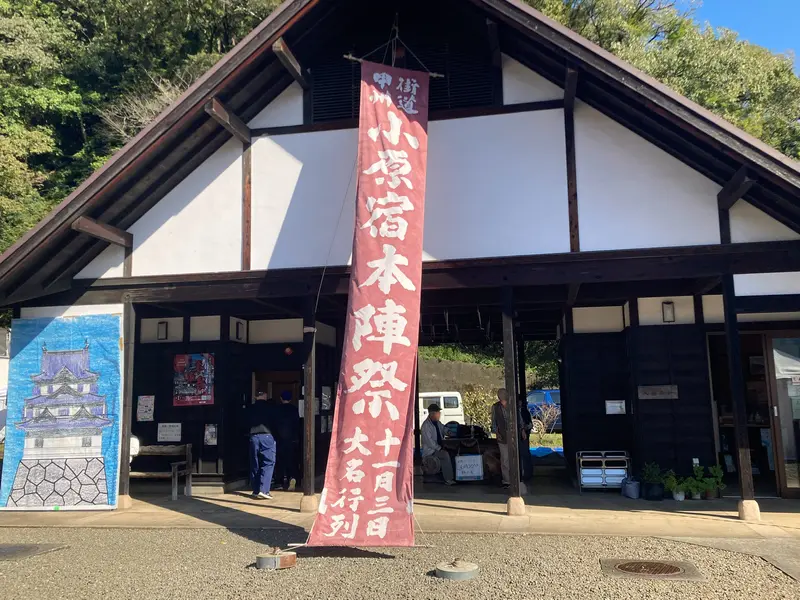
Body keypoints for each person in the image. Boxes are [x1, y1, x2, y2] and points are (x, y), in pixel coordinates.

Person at [247, 394, 277, 499]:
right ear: (265, 396)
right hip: (267, 435)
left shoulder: (250, 408)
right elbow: (275, 422)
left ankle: (255, 490)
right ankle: (264, 490)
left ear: (255, 396)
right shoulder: (271, 407)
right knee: (268, 462)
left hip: (253, 436)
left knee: (255, 463)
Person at [420, 404, 456, 485]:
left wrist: (449, 432)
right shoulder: (426, 426)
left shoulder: (437, 423)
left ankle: (454, 475)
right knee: (444, 455)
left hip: (439, 447)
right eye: (438, 412)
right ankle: (448, 479)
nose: (439, 414)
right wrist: (439, 448)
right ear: (432, 414)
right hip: (431, 451)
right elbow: (429, 442)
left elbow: (443, 429)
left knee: (453, 452)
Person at [274, 389, 300, 491]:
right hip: (292, 439)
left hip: (279, 439)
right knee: (292, 460)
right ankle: (292, 478)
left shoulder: (277, 409)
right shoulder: (294, 409)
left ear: (281, 399)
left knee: (280, 461)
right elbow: (297, 424)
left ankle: (279, 482)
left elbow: (274, 424)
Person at [491, 388, 511, 487]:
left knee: (514, 458)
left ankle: (516, 478)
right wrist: (496, 432)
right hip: (502, 436)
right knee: (505, 459)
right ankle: (507, 481)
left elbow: (518, 417)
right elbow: (493, 422)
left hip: (513, 435)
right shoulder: (495, 407)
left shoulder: (512, 405)